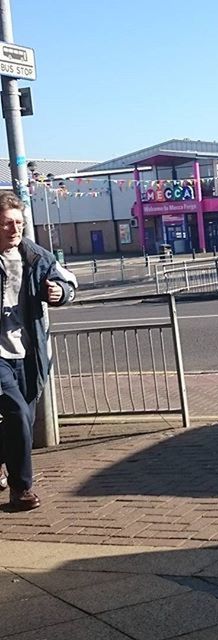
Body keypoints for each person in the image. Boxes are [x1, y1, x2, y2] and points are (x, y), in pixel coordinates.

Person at [0, 191, 72, 511]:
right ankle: (22, 490)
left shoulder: (35, 256)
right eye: (6, 223)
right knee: (16, 413)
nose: (14, 229)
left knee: (23, 423)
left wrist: (60, 292)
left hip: (28, 353)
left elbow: (68, 282)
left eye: (19, 222)